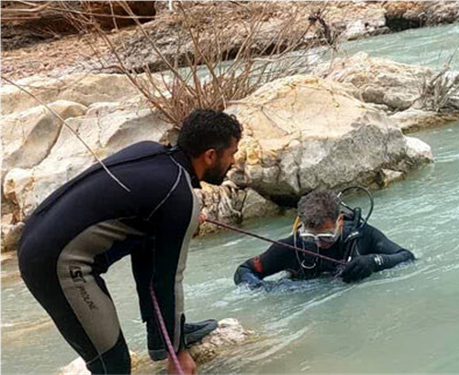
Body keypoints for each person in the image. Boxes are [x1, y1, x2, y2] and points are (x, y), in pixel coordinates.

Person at [17, 109, 242, 375]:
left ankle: (163, 338)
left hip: (33, 239)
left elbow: (150, 252)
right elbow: (167, 280)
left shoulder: (151, 152)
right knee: (113, 365)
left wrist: (172, 338)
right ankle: (167, 341)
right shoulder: (179, 196)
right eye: (232, 154)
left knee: (150, 243)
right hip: (57, 263)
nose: (234, 162)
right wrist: (178, 354)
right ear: (211, 155)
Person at [234, 190, 415, 287]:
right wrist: (262, 288)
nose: (320, 243)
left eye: (327, 236)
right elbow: (244, 271)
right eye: (311, 237)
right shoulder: (292, 246)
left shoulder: (362, 235)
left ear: (340, 221)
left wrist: (373, 261)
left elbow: (406, 256)